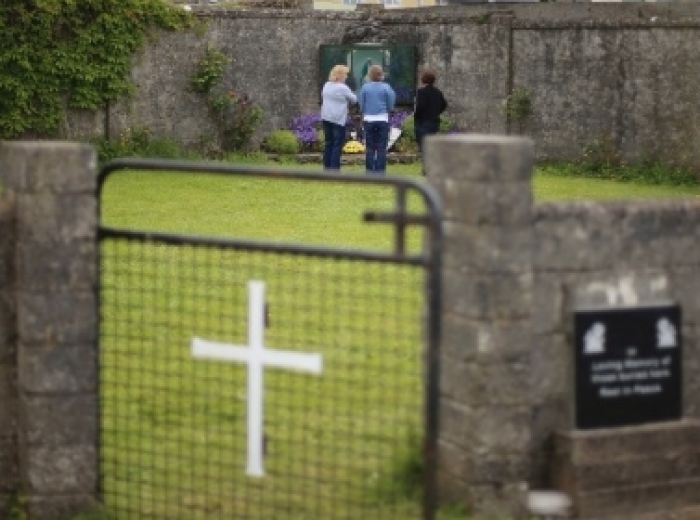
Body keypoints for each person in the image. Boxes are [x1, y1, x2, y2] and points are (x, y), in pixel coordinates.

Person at [358, 64, 396, 175]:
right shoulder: (386, 87)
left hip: (368, 119)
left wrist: (364, 110)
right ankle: (380, 171)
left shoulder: (365, 87)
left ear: (369, 75)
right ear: (381, 75)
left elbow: (361, 102)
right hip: (382, 119)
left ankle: (369, 170)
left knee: (369, 146)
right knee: (381, 146)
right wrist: (389, 109)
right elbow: (391, 100)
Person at [321, 64, 357, 171]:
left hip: (326, 117)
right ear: (340, 75)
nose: (346, 77)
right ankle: (335, 170)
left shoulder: (327, 85)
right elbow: (354, 99)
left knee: (328, 143)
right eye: (345, 74)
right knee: (337, 145)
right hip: (337, 119)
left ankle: (327, 168)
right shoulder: (343, 87)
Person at [414, 69, 448, 154]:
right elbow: (444, 104)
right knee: (430, 145)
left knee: (423, 146)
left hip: (423, 121)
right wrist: (436, 112)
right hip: (434, 121)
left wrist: (416, 116)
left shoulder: (421, 92)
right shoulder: (438, 92)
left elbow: (420, 106)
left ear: (423, 79)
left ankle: (426, 166)